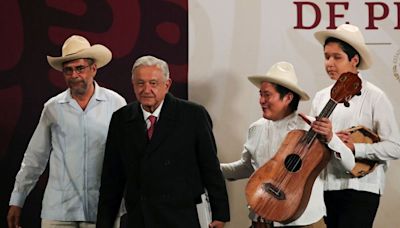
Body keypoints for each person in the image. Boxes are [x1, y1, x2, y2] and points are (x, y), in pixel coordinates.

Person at [96, 55, 230, 228]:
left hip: (181, 217)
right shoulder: (121, 119)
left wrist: (220, 213)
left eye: (153, 83)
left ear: (167, 85)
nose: (146, 89)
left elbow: (210, 167)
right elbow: (112, 178)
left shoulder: (192, 115)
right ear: (133, 85)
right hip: (139, 218)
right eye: (140, 83)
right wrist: (104, 223)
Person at [7, 35, 127, 228]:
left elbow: (128, 156)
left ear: (93, 69)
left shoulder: (116, 104)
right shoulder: (53, 108)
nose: (74, 75)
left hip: (102, 208)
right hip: (59, 211)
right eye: (68, 70)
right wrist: (17, 200)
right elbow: (34, 158)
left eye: (80, 68)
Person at [220, 61, 355, 228]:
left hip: (303, 222)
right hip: (261, 220)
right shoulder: (256, 128)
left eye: (267, 95)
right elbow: (248, 167)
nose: (261, 100)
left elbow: (349, 164)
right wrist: (210, 168)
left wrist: (331, 138)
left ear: (288, 98)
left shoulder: (312, 127)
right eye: (260, 94)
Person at [312, 24, 400, 228]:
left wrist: (355, 147)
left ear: (354, 60)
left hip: (362, 189)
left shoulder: (375, 96)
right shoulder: (320, 97)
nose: (329, 63)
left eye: (337, 57)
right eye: (326, 56)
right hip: (326, 188)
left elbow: (395, 146)